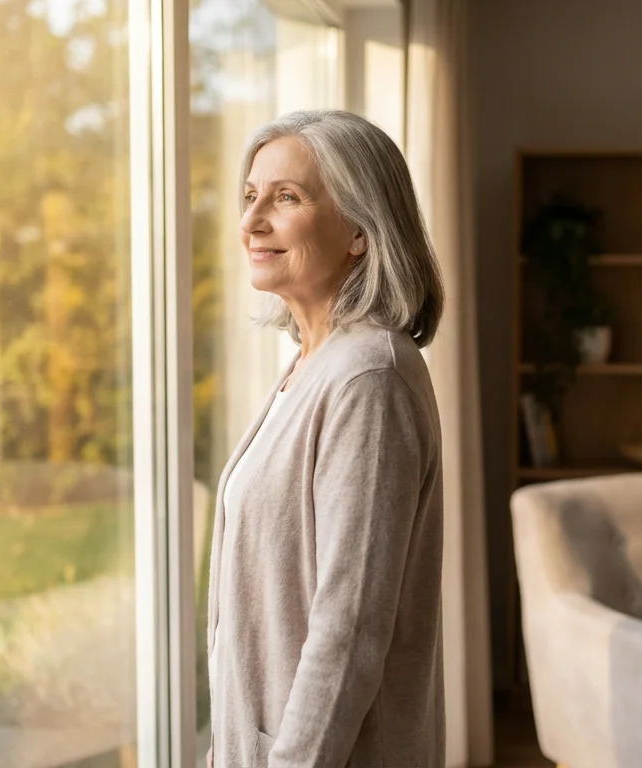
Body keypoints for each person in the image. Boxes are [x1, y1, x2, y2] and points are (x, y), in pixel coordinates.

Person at [206, 109, 446, 768]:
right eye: (252, 196)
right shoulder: (311, 366)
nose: (253, 220)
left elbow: (350, 629)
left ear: (361, 232)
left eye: (287, 197)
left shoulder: (369, 376)